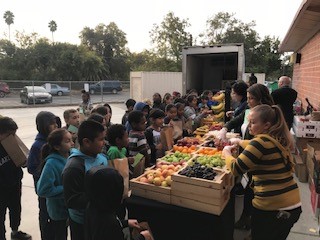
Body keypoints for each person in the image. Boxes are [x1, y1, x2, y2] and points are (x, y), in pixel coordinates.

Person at [222, 104, 301, 240]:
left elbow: (236, 168)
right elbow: (256, 146)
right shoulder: (276, 139)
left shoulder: (259, 143)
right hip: (292, 205)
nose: (249, 126)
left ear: (266, 125)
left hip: (273, 207)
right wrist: (240, 142)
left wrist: (226, 153)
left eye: (253, 122)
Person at [217, 83, 274, 232]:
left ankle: (250, 221)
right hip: (247, 153)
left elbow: (236, 168)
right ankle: (247, 218)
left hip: (255, 159)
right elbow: (236, 120)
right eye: (247, 98)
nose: (248, 101)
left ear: (260, 99)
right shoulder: (250, 111)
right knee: (249, 189)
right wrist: (224, 128)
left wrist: (227, 152)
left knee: (253, 190)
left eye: (251, 98)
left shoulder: (267, 116)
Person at [62, 120, 108, 240]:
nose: (104, 143)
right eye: (101, 139)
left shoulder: (101, 157)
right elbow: (71, 200)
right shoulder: (74, 167)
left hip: (100, 217)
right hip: (82, 223)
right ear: (86, 142)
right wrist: (102, 195)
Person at [84, 166, 153, 240]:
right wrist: (142, 237)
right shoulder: (110, 224)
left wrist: (125, 223)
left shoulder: (93, 206)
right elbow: (109, 228)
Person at [27, 111, 61, 240]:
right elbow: (31, 168)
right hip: (45, 190)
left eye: (56, 124)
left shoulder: (54, 142)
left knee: (56, 219)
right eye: (52, 124)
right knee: (45, 216)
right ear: (43, 126)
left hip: (55, 188)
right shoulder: (37, 146)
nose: (55, 127)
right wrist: (47, 174)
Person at [37, 129, 74, 240]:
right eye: (67, 141)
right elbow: (43, 190)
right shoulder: (51, 163)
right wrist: (67, 189)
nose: (72, 143)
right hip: (58, 211)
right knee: (60, 235)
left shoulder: (73, 156)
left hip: (73, 208)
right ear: (57, 147)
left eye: (71, 140)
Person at [0, 117, 31, 240]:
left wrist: (24, 161)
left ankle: (15, 231)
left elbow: (22, 161)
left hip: (14, 183)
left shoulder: (10, 143)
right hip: (1, 188)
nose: (12, 137)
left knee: (16, 209)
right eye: (9, 134)